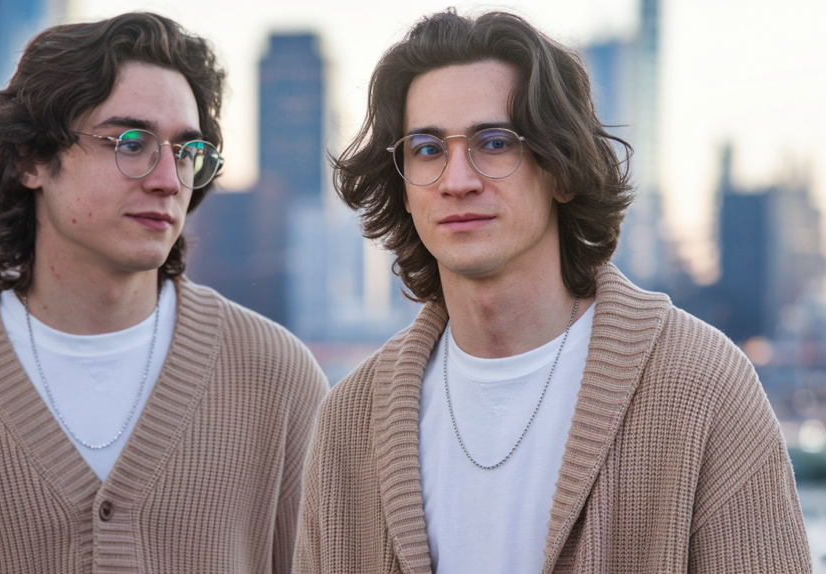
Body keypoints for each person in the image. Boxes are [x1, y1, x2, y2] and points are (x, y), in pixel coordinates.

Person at [293, 10, 810, 574]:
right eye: (427, 149)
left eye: (494, 143)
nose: (457, 180)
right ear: (403, 185)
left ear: (562, 169)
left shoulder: (703, 388)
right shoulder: (350, 421)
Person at [0, 13, 328, 574]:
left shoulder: (278, 379)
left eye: (186, 151)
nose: (168, 178)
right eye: (130, 141)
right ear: (30, 159)